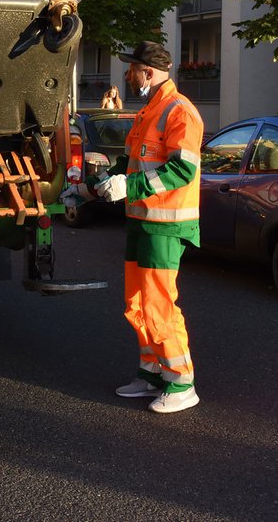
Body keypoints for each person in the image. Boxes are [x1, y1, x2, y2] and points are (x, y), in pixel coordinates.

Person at [61, 41, 203, 414]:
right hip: (143, 220)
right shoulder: (148, 112)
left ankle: (181, 381)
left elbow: (182, 170)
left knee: (158, 304)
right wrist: (87, 190)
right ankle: (153, 373)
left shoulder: (180, 113)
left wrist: (130, 187)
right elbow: (127, 162)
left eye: (132, 69)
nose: (127, 75)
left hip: (166, 226)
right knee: (137, 304)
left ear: (149, 72)